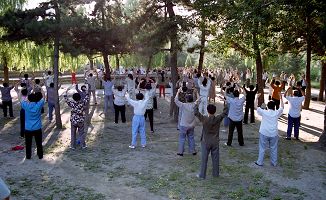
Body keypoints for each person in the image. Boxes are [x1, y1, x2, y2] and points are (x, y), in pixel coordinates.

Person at [195, 103, 228, 179]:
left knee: (204, 159)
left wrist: (196, 104)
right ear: (215, 111)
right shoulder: (218, 118)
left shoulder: (204, 119)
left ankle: (202, 175)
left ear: (207, 111)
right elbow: (225, 112)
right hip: (215, 141)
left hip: (206, 141)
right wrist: (225, 103)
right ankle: (216, 174)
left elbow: (196, 113)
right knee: (216, 159)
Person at [255, 93, 284, 167]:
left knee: (262, 148)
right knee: (274, 148)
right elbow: (282, 107)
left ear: (267, 106)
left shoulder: (264, 112)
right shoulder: (276, 113)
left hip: (264, 132)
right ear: (274, 107)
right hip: (273, 133)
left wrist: (256, 97)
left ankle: (260, 162)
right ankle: (274, 162)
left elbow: (255, 106)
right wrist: (281, 98)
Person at [174, 87, 198, 156]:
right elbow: (198, 100)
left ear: (186, 99)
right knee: (191, 137)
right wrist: (196, 93)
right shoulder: (194, 105)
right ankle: (193, 151)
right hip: (192, 125)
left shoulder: (183, 105)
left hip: (183, 125)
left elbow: (176, 100)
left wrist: (178, 92)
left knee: (182, 138)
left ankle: (180, 152)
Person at [21, 91, 45, 159]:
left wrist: (19, 92)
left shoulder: (26, 105)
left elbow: (21, 99)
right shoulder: (39, 105)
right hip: (37, 128)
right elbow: (43, 97)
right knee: (39, 143)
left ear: (29, 99)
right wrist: (41, 89)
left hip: (28, 128)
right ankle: (40, 155)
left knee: (28, 143)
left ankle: (28, 156)